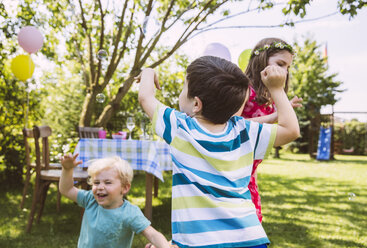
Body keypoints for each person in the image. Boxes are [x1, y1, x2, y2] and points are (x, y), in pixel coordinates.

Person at [137, 55, 300, 247]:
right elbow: (291, 130)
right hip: (249, 239)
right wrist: (277, 89)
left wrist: (148, 72)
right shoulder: (244, 131)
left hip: (200, 243)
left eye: (184, 88)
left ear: (197, 104)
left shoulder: (180, 128)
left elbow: (145, 97)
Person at [240, 37, 303, 223]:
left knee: (253, 221)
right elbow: (235, 125)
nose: (284, 71)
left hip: (250, 169)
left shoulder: (268, 95)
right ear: (261, 60)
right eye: (280, 63)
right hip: (233, 167)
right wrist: (275, 116)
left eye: (288, 67)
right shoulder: (243, 88)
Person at [59, 155, 170, 248]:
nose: (100, 187)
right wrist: (67, 170)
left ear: (125, 188)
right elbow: (66, 189)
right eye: (96, 182)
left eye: (107, 182)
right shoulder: (90, 200)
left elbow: (151, 234)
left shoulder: (129, 212)